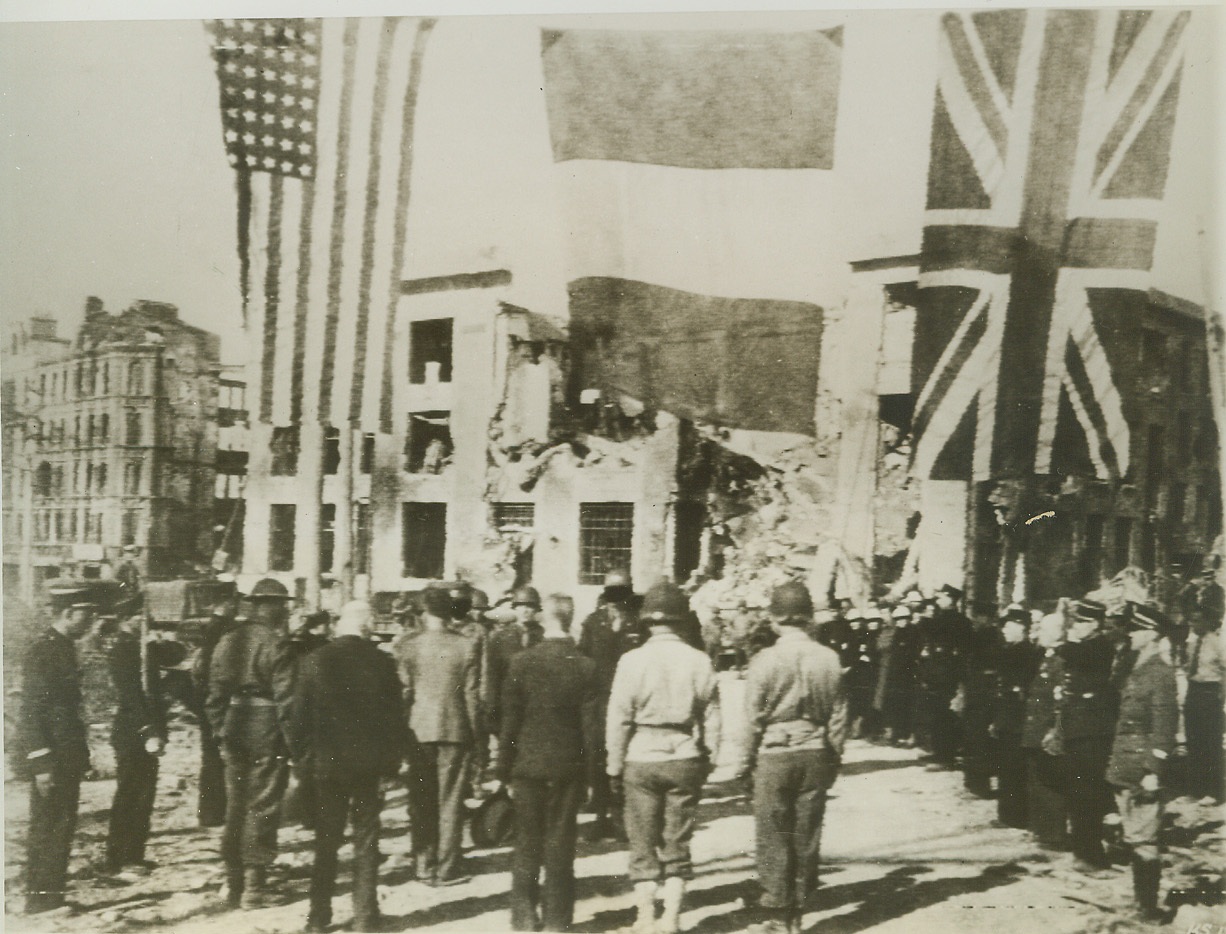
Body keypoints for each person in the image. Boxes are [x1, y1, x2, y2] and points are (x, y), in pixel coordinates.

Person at [606, 580, 721, 934]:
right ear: (682, 620)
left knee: (641, 839)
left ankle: (644, 918)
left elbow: (619, 716)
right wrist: (710, 759)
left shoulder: (631, 661)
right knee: (678, 839)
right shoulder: (700, 660)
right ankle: (670, 918)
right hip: (684, 754)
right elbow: (712, 718)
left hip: (641, 756)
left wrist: (614, 764)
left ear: (647, 621)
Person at [287, 601, 407, 934]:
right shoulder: (382, 664)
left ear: (341, 625)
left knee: (326, 840)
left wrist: (303, 761)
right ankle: (366, 917)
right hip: (369, 765)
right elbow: (395, 720)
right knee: (367, 839)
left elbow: (298, 720)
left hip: (328, 763)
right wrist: (390, 766)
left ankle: (318, 917)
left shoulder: (315, 661)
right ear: (367, 625)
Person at [739, 581, 847, 934]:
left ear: (774, 620)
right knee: (807, 832)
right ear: (809, 619)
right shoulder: (830, 658)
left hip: (774, 753)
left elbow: (751, 718)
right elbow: (839, 716)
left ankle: (777, 913)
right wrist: (834, 756)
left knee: (774, 832)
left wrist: (744, 762)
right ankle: (798, 911)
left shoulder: (764, 660)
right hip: (815, 751)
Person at [497, 594, 601, 932]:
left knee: (526, 840)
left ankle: (524, 916)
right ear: (570, 620)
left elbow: (509, 723)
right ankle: (558, 919)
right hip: (567, 768)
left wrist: (503, 769)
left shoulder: (521, 662)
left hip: (527, 766)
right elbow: (591, 730)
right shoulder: (586, 666)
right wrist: (590, 776)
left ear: (543, 620)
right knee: (561, 841)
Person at [205, 577, 297, 909]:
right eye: (281, 605)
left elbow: (214, 693)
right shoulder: (276, 643)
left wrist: (219, 731)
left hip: (234, 722)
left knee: (236, 804)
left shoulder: (228, 640)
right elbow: (286, 700)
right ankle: (255, 888)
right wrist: (293, 742)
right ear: (269, 607)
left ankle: (233, 884)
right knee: (264, 803)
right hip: (266, 725)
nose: (285, 611)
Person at [395, 587, 482, 885]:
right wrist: (476, 737)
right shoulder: (466, 646)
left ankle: (423, 864)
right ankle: (448, 867)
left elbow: (403, 694)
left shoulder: (408, 645)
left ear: (423, 612)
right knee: (451, 801)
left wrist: (402, 731)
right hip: (456, 731)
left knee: (421, 800)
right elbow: (472, 696)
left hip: (418, 731)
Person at [19, 588, 96, 914]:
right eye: (86, 614)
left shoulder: (63, 648)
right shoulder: (44, 651)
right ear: (67, 613)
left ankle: (50, 895)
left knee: (60, 823)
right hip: (52, 756)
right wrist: (41, 762)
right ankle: (41, 900)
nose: (91, 621)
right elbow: (32, 710)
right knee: (50, 824)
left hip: (65, 753)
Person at [1106, 605, 1179, 922]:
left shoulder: (1161, 673)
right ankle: (1141, 902)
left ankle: (1148, 908)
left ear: (1151, 634)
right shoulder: (1137, 668)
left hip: (1142, 769)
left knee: (1145, 839)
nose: (1130, 634)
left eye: (1136, 630)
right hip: (1125, 765)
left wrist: (1154, 770)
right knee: (1136, 837)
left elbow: (1165, 726)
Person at [104, 605, 170, 874]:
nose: (143, 622)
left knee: (145, 797)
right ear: (123, 620)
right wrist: (148, 730)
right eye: (137, 618)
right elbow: (130, 696)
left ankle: (135, 854)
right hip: (132, 733)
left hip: (149, 731)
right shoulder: (122, 650)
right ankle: (117, 859)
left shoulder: (145, 649)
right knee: (130, 795)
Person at [578, 570, 641, 840]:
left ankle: (623, 819)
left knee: (627, 760)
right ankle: (601, 817)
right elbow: (583, 659)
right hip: (600, 703)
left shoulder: (640, 624)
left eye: (622, 592)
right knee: (598, 760)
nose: (617, 599)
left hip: (631, 703)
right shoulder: (593, 622)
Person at [1058, 598, 1118, 874]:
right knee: (1078, 792)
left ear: (1094, 624)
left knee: (1087, 794)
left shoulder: (1100, 647)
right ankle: (1082, 851)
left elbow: (1073, 654)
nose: (1076, 626)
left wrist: (1062, 638)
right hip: (1079, 727)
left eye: (1081, 622)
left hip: (1092, 731)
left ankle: (1092, 856)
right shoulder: (1086, 646)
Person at [1021, 610, 1070, 850]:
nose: (1037, 633)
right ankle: (1039, 828)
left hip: (1047, 731)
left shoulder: (1060, 661)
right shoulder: (1046, 657)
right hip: (1035, 728)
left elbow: (1061, 703)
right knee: (1036, 780)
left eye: (1042, 630)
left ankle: (1053, 833)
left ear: (1054, 633)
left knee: (1050, 783)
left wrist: (1055, 731)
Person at [991, 605, 1041, 829]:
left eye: (1009, 626)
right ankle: (1008, 814)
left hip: (1018, 718)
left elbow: (1027, 689)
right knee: (1006, 767)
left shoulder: (1029, 653)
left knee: (1015, 768)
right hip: (1007, 716)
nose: (1004, 630)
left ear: (1022, 628)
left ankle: (1017, 816)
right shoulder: (1008, 650)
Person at [193, 592, 239, 828]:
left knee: (212, 755)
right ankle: (212, 812)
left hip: (210, 698)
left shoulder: (213, 626)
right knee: (214, 756)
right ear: (227, 603)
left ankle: (211, 812)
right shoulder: (220, 628)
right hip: (216, 699)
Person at [916, 584, 972, 767]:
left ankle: (946, 757)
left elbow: (958, 650)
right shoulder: (943, 617)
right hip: (937, 674)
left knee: (945, 716)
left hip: (949, 675)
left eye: (941, 597)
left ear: (951, 599)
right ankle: (938, 752)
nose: (938, 599)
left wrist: (924, 620)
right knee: (936, 715)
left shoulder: (956, 620)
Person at [486, 586, 544, 740]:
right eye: (520, 606)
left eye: (530, 606)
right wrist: (492, 709)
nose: (525, 610)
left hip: (535, 706)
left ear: (536, 610)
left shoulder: (543, 636)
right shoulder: (501, 637)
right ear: (514, 609)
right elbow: (492, 676)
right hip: (507, 705)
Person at [1183, 602, 1224, 803]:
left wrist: (1221, 697)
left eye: (1197, 620)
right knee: (1193, 741)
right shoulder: (1193, 643)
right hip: (1193, 693)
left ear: (1207, 621)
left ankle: (1213, 791)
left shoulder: (1218, 643)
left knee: (1210, 743)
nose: (1193, 624)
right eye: (1191, 620)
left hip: (1210, 694)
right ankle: (1196, 789)